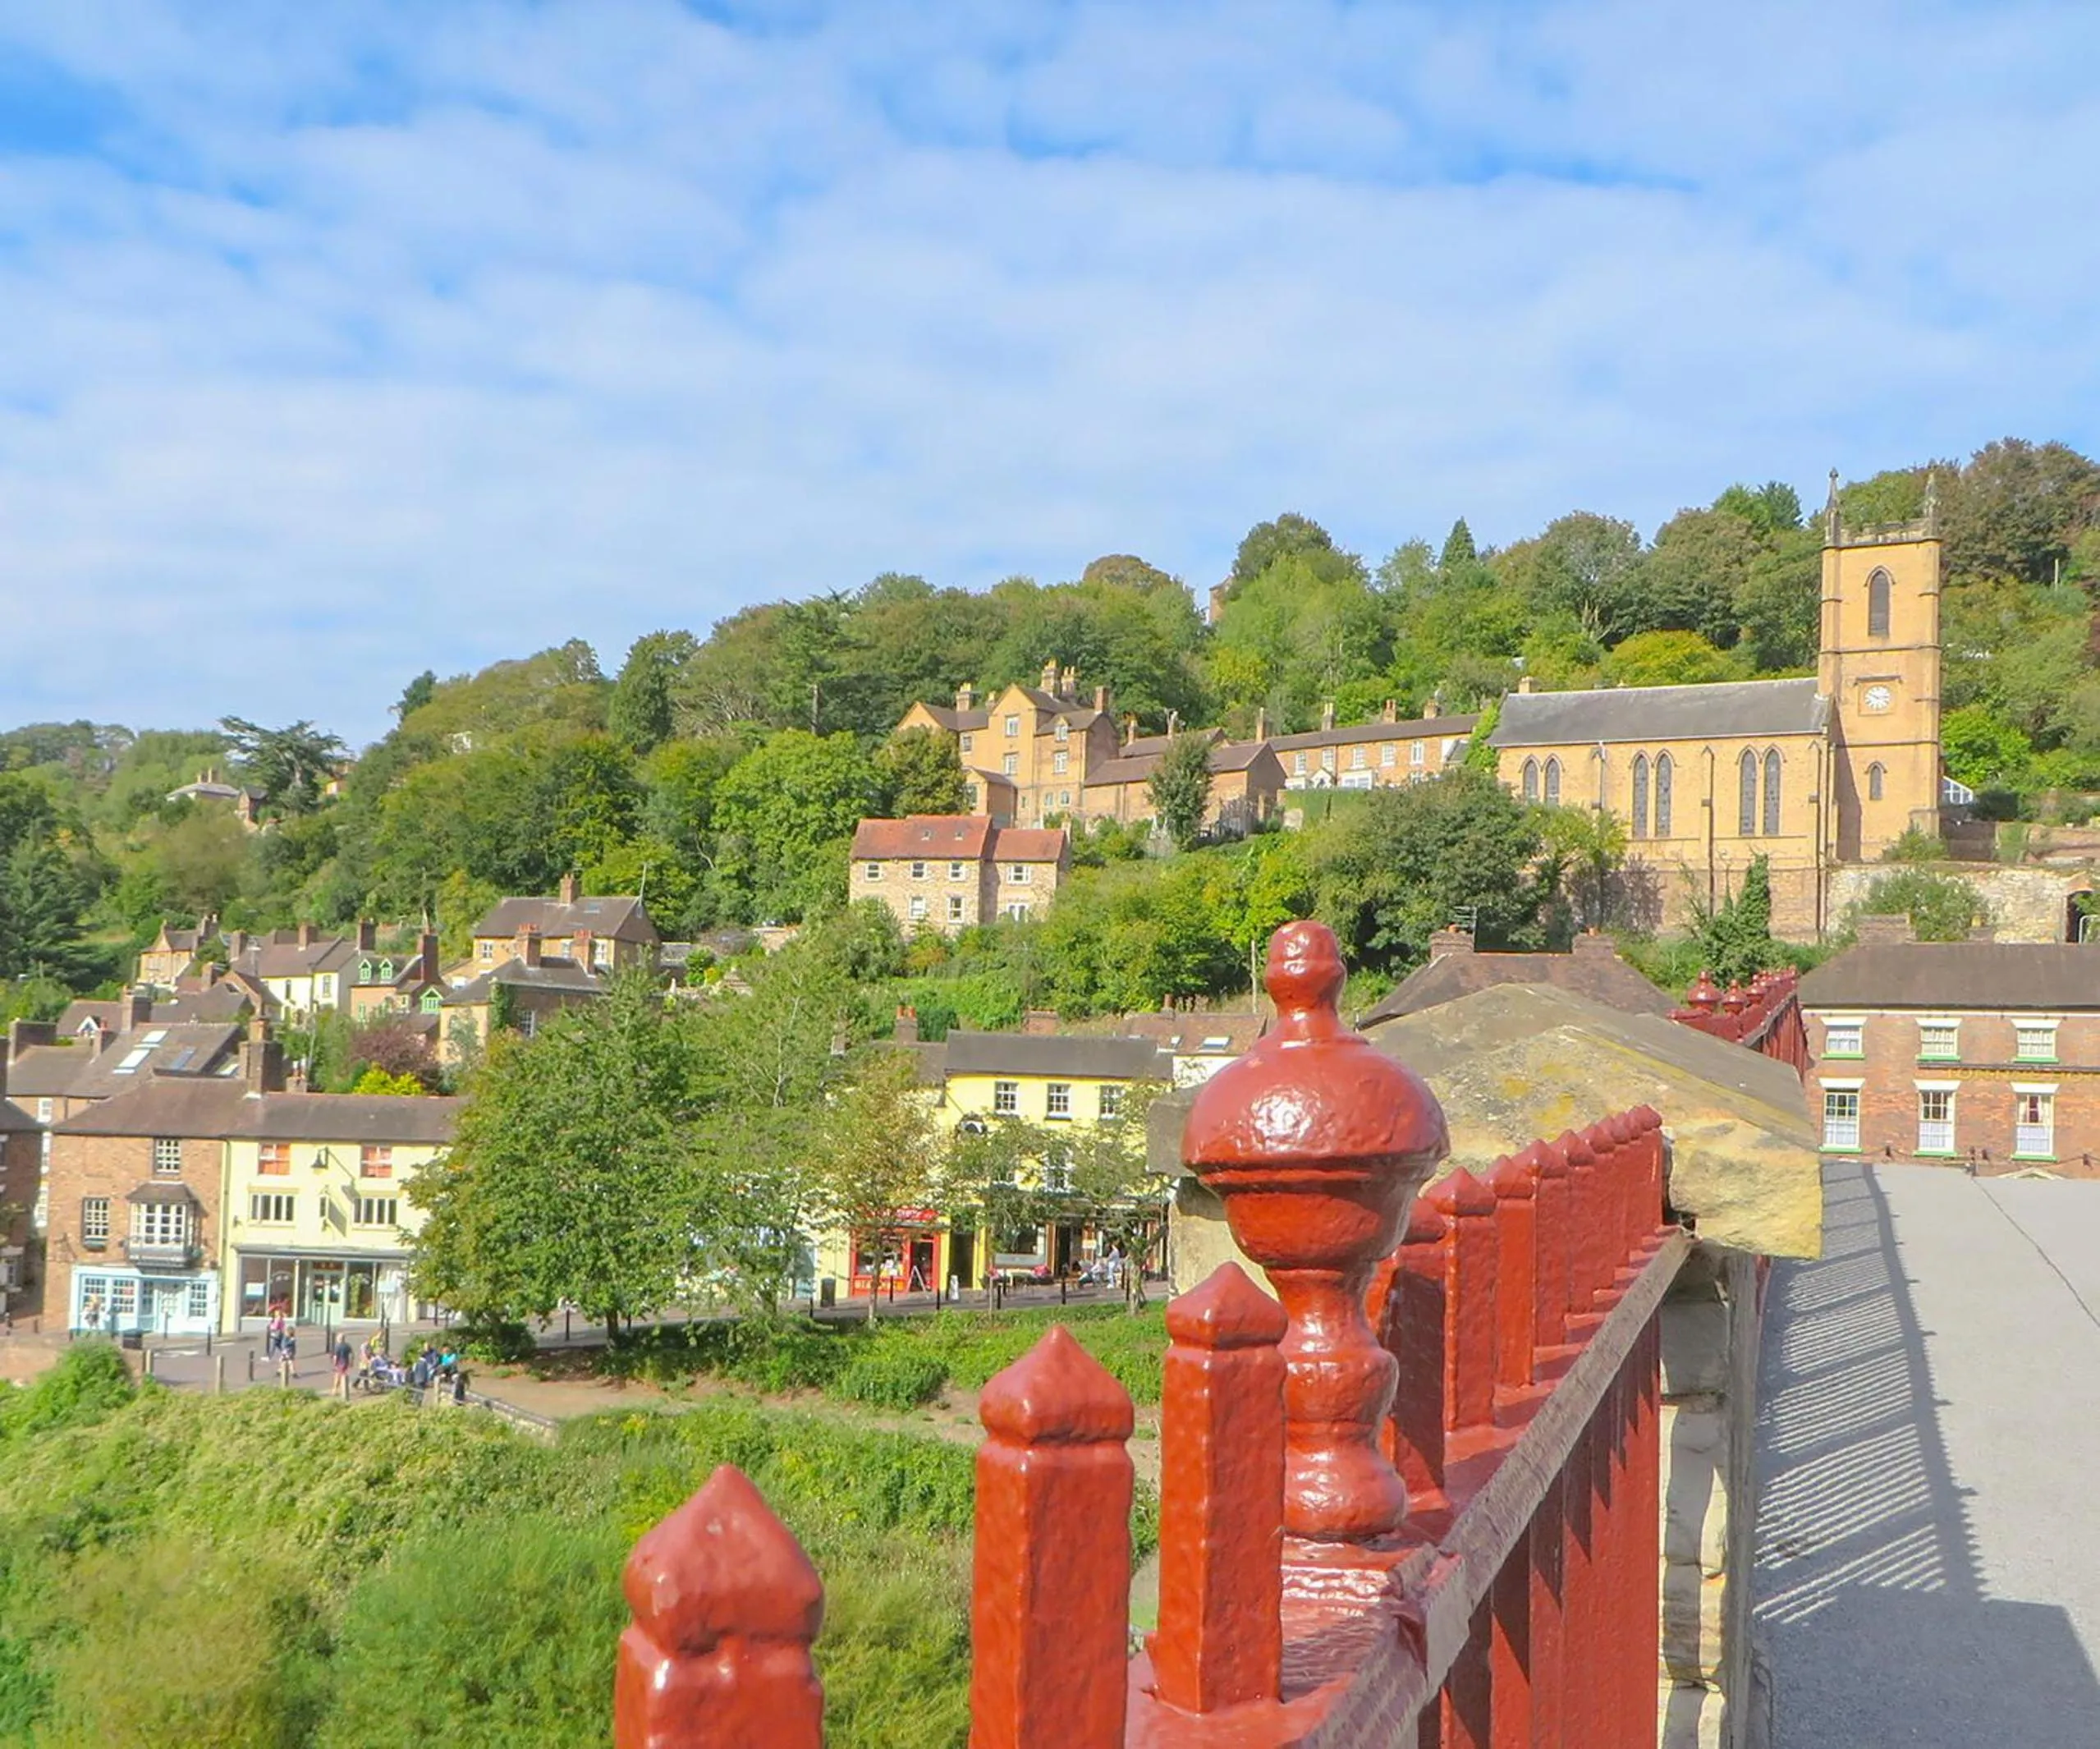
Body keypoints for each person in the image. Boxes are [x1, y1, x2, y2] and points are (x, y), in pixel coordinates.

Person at [331, 1334, 353, 1400]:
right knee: (342, 1375)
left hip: (340, 1363)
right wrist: (351, 1362)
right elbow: (351, 1355)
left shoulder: (337, 1346)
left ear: (339, 1339)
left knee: (338, 1376)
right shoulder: (348, 1346)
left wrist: (335, 1363)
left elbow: (336, 1356)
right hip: (345, 1363)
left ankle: (335, 1390)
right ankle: (340, 1389)